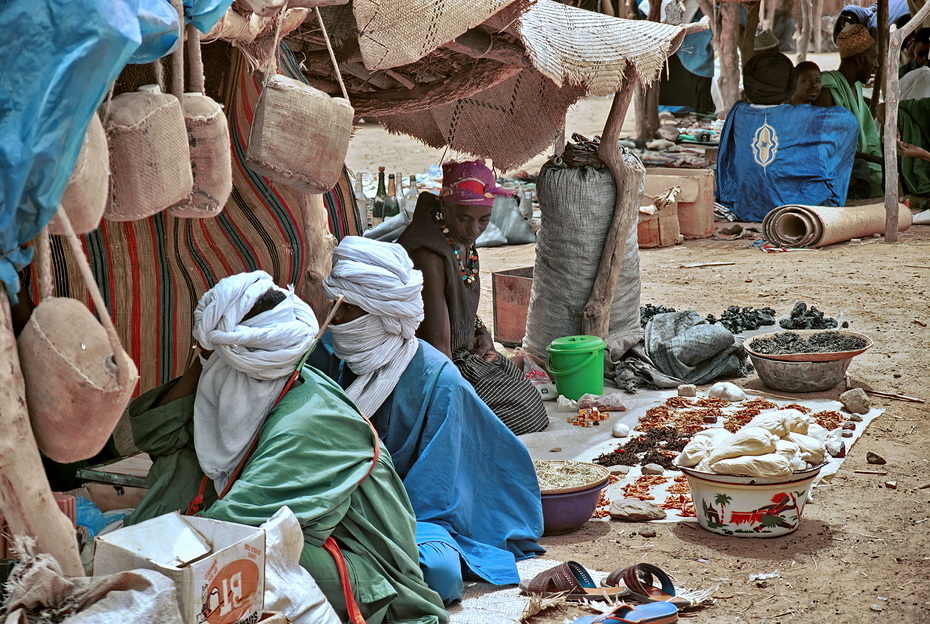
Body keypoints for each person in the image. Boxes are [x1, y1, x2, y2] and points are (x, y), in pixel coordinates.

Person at [125, 271, 447, 624]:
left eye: (223, 359)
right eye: (213, 358)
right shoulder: (248, 384)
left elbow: (233, 526)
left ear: (247, 360)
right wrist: (202, 358)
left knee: (234, 558)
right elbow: (160, 435)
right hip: (290, 538)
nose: (215, 370)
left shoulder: (310, 420)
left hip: (366, 576)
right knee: (183, 464)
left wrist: (136, 561)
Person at [315, 236, 545, 605]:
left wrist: (371, 518)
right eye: (336, 308)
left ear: (383, 314)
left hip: (413, 510)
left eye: (347, 310)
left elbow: (436, 490)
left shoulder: (438, 380)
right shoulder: (329, 354)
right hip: (339, 498)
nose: (336, 321)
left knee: (438, 573)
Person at [397, 160, 548, 437]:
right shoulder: (429, 256)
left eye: (483, 220)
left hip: (465, 354)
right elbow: (438, 345)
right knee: (522, 413)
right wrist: (455, 395)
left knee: (529, 399)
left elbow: (461, 304)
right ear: (444, 207)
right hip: (437, 364)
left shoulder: (459, 241)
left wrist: (482, 334)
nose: (474, 229)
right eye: (464, 218)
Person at [716, 51, 859, 221]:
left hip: (746, 205)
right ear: (791, 85)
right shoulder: (810, 116)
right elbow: (848, 122)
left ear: (749, 84)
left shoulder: (739, 113)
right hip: (796, 208)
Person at [815, 23, 883, 199]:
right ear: (860, 59)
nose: (876, 65)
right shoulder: (828, 88)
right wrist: (878, 160)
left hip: (858, 162)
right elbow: (830, 148)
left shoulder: (858, 88)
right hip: (835, 167)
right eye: (874, 59)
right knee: (861, 170)